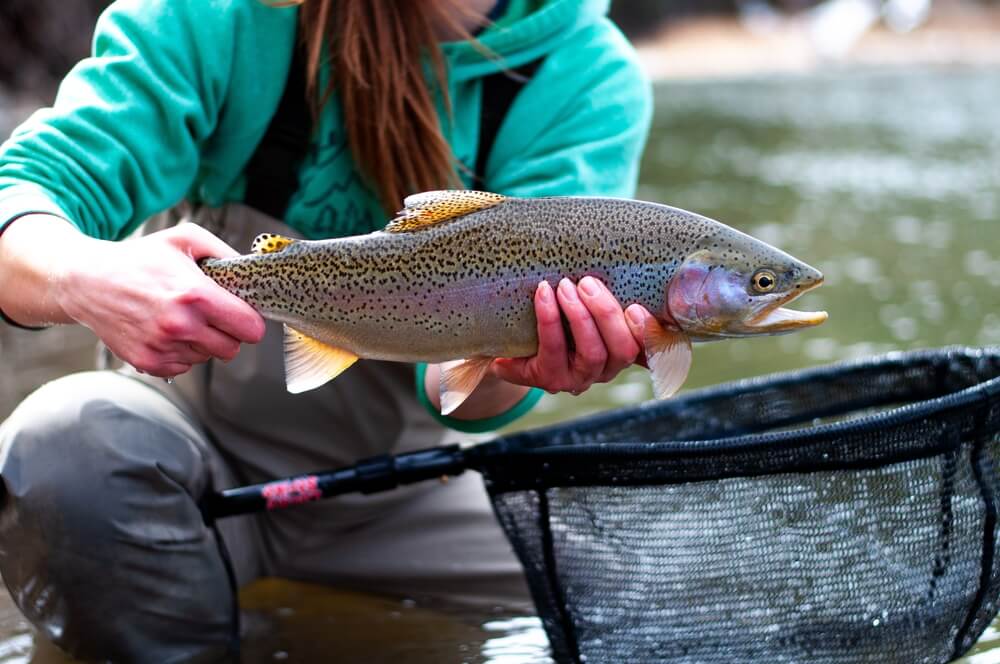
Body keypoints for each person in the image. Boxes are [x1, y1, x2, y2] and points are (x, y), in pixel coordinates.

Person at [0, 0, 652, 660]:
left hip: (401, 497)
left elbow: (458, 394)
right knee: (63, 442)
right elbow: (21, 195)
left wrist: (531, 361)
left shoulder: (583, 76)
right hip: (180, 477)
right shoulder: (224, 16)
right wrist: (80, 275)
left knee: (634, 588)